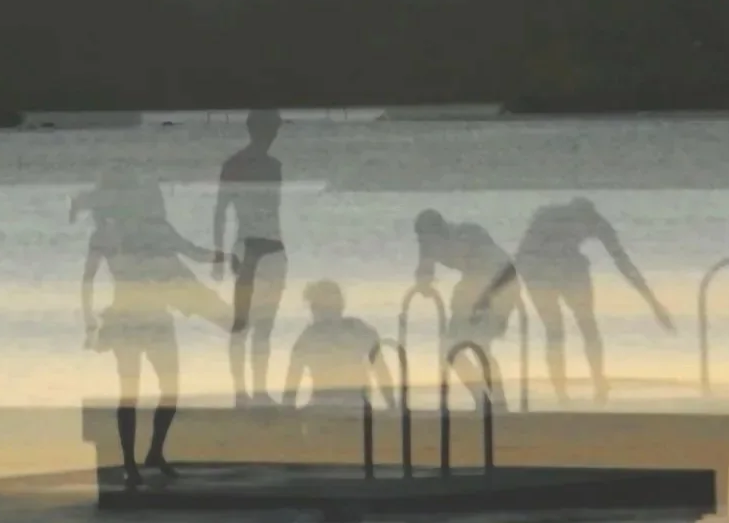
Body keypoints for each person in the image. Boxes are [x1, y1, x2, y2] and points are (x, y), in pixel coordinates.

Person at [77, 171, 229, 487]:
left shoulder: (151, 231)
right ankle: (130, 462)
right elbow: (87, 280)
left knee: (168, 389)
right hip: (127, 318)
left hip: (154, 317)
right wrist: (89, 320)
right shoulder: (107, 236)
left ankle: (154, 452)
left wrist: (224, 256)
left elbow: (193, 252)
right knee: (130, 393)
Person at [513, 197, 676, 402]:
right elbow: (523, 255)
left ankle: (588, 385)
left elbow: (623, 262)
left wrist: (653, 304)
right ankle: (570, 390)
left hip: (548, 270)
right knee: (567, 329)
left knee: (571, 328)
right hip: (540, 271)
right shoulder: (553, 217)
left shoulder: (588, 221)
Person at [211, 109, 286, 406]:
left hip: (271, 248)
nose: (273, 137)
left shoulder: (271, 166)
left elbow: (224, 212)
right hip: (252, 248)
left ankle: (258, 390)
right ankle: (242, 391)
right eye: (271, 131)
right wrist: (219, 255)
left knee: (263, 325)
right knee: (243, 324)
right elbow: (220, 212)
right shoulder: (237, 166)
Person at [412, 210, 521, 403]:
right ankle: (481, 398)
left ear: (442, 231)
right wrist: (424, 283)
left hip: (503, 283)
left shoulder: (469, 234)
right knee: (449, 348)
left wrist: (484, 302)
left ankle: (498, 401)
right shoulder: (428, 245)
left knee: (482, 345)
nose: (426, 244)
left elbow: (506, 270)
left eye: (428, 238)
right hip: (472, 286)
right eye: (422, 239)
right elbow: (424, 271)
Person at [280, 280, 395, 417]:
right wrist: (392, 405)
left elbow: (291, 384)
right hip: (354, 406)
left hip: (326, 407)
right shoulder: (358, 329)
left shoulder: (308, 337)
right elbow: (381, 371)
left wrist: (287, 412)